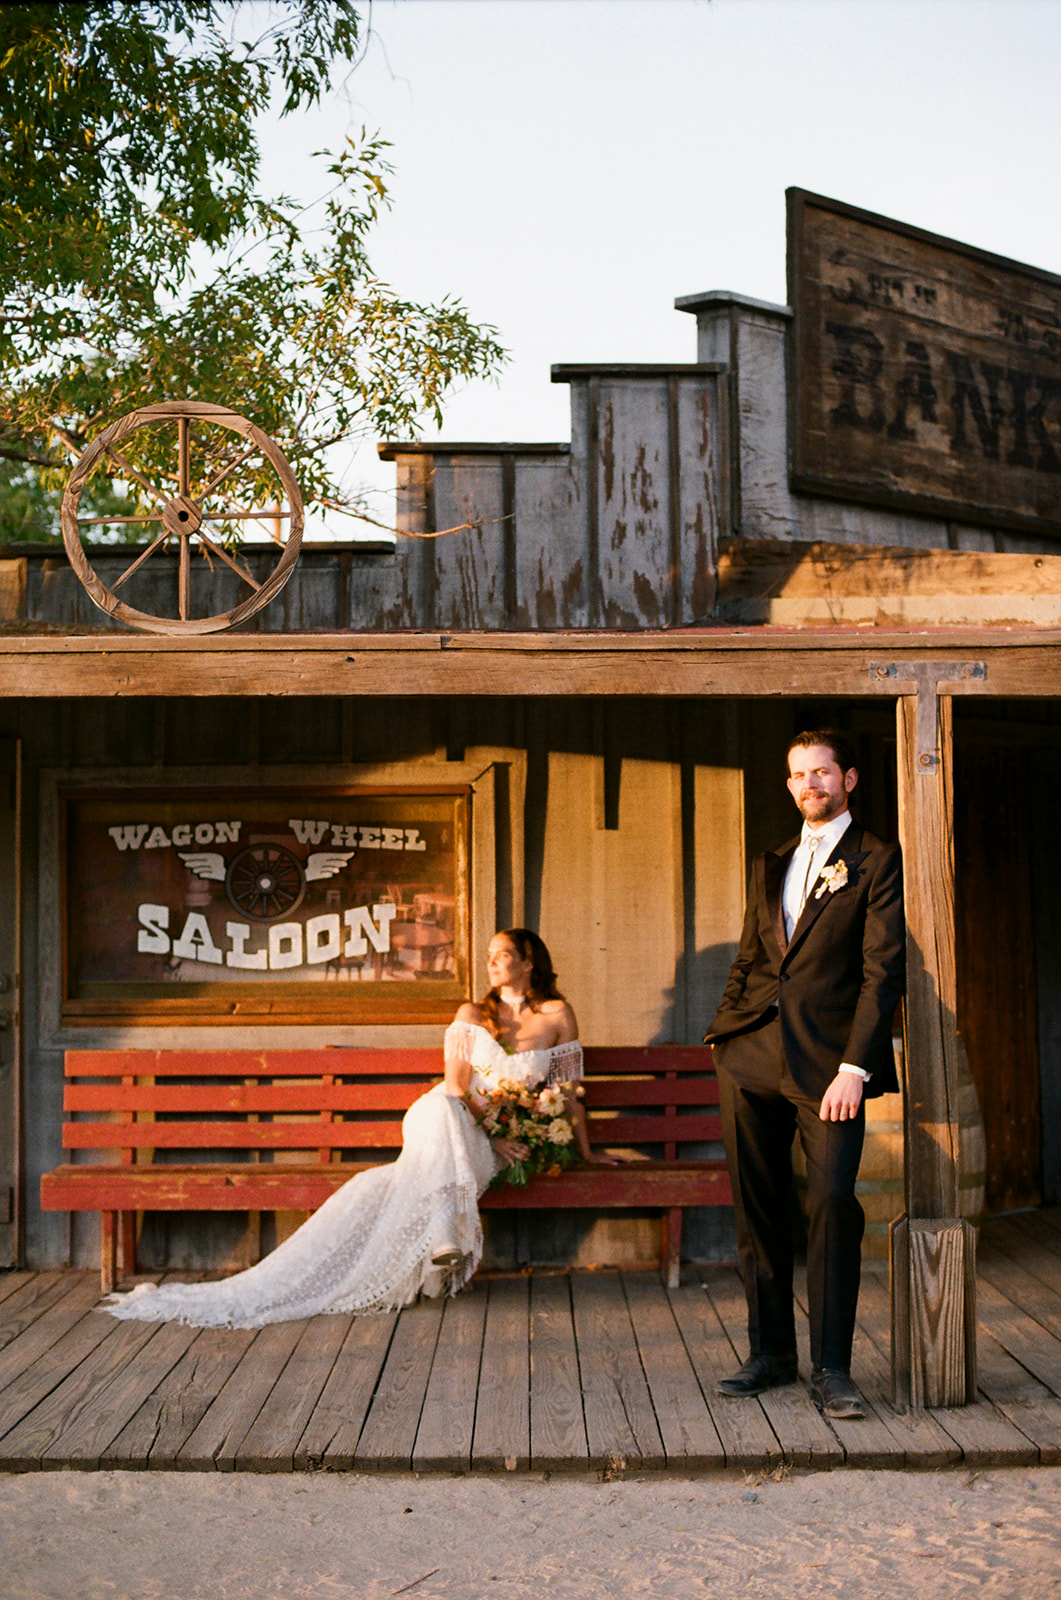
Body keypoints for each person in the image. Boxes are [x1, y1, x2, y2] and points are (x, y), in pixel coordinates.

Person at [102, 928, 597, 1329]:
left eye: (503, 954)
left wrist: (582, 1153)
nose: (492, 962)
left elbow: (569, 1092)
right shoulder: (472, 1013)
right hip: (447, 1119)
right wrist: (495, 1129)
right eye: (489, 954)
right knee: (444, 1108)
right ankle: (446, 1232)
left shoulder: (557, 1016)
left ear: (529, 962)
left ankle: (438, 1235)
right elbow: (455, 1085)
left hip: (488, 1145)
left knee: (387, 1182)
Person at [704, 731, 904, 1421]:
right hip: (749, 1057)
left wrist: (856, 1067)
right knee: (756, 1211)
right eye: (796, 774)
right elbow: (752, 958)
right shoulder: (771, 861)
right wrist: (722, 1033)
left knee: (830, 1207)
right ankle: (770, 1355)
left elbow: (882, 972)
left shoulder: (876, 859)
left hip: (828, 1067)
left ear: (846, 778)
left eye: (820, 772)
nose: (808, 783)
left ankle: (831, 1368)